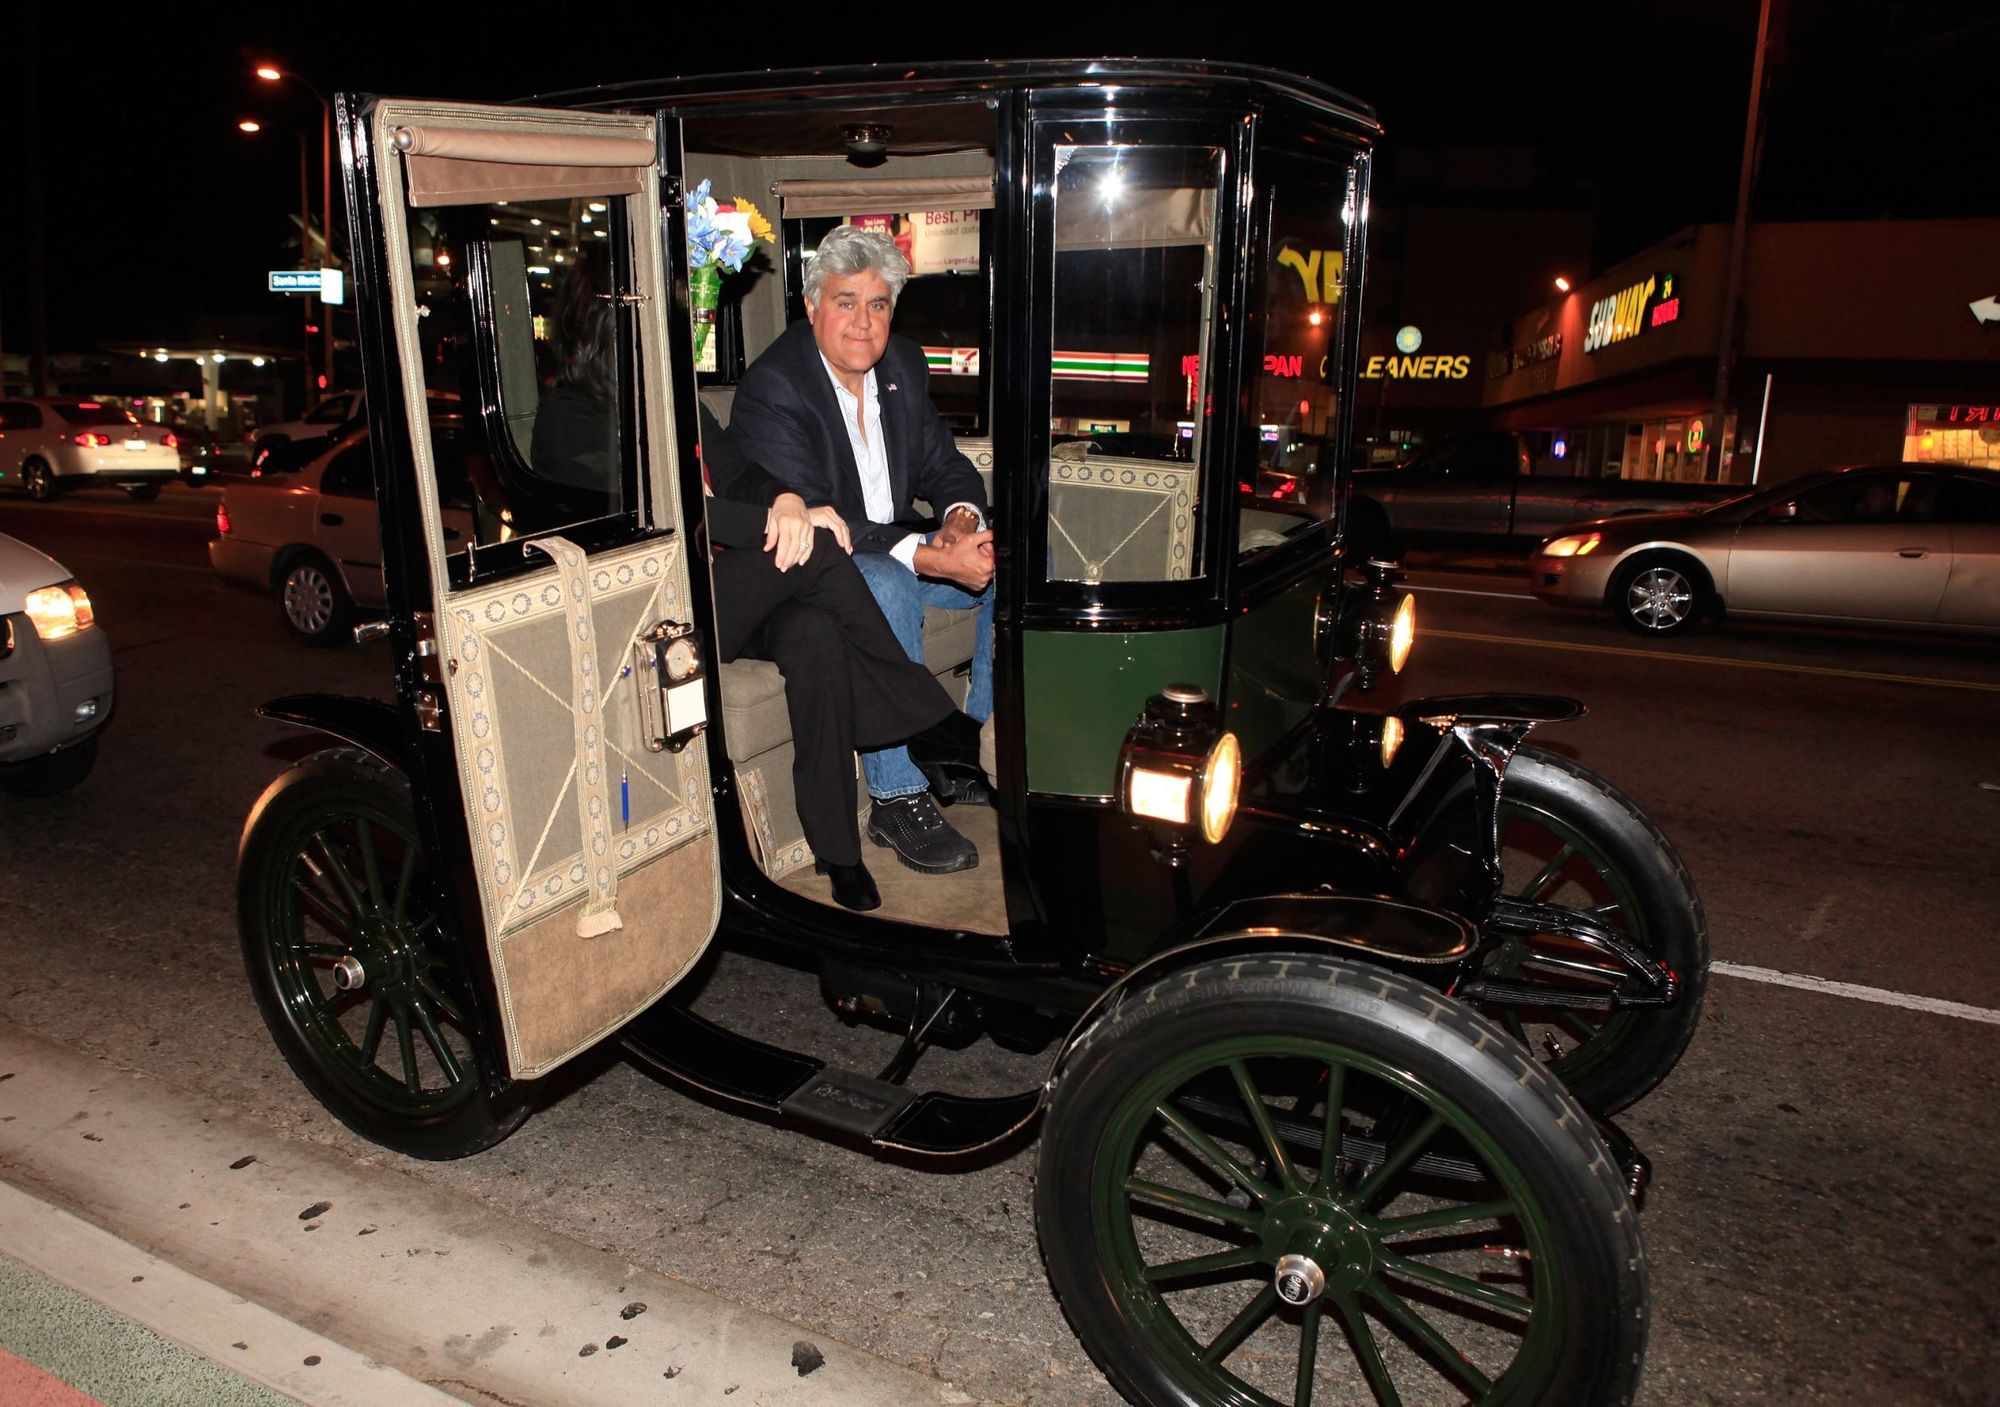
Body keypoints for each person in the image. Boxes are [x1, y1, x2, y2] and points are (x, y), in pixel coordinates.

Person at [728, 226, 994, 877]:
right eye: (845, 301)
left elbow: (946, 466)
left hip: (892, 541)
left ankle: (973, 748)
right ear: (813, 305)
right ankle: (896, 796)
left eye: (878, 304)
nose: (863, 322)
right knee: (888, 581)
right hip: (815, 572)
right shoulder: (775, 388)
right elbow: (826, 526)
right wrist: (927, 556)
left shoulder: (902, 365)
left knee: (1000, 561)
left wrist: (960, 523)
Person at [699, 404, 957, 911]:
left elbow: (737, 471)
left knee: (813, 632)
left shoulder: (679, 401)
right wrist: (777, 522)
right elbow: (671, 514)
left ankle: (837, 850)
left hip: (741, 588)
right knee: (816, 547)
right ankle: (928, 720)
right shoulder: (576, 417)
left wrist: (787, 500)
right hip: (678, 604)